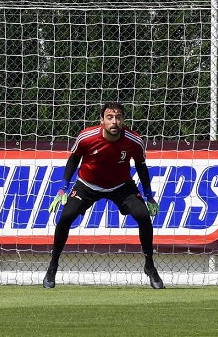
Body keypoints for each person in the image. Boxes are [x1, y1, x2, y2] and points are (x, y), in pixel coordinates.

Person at [43, 102, 164, 289]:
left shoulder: (134, 140)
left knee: (143, 216)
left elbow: (141, 166)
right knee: (66, 217)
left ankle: (150, 265)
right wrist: (63, 188)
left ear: (123, 120)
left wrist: (149, 196)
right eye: (110, 117)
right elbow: (74, 159)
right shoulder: (86, 137)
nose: (114, 121)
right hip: (87, 185)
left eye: (118, 117)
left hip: (121, 186)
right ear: (102, 120)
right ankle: (53, 266)